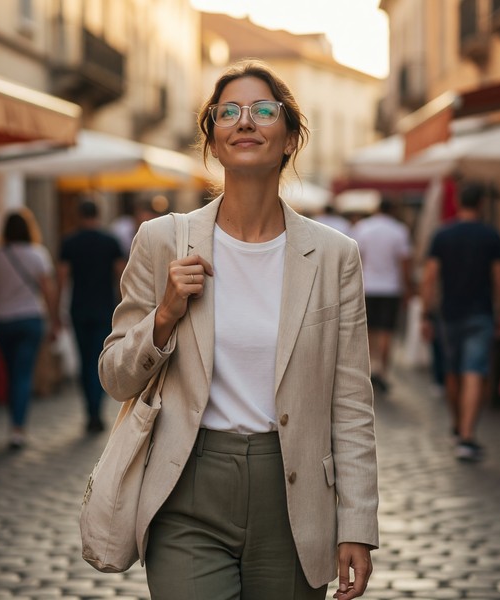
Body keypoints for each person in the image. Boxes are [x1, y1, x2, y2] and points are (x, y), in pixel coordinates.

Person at [99, 60, 378, 600]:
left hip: (294, 495)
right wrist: (163, 316)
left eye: (263, 111)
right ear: (213, 139)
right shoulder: (162, 242)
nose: (244, 121)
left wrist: (358, 523)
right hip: (187, 489)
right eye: (228, 112)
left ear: (290, 136)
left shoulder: (333, 256)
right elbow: (114, 377)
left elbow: (351, 401)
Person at [420, 183, 500, 463]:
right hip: (480, 312)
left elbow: (430, 277)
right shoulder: (491, 235)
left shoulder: (443, 234)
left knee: (452, 370)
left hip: (448, 313)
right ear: (481, 203)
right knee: (474, 372)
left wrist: (425, 312)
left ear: (458, 202)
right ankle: (467, 436)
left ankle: (460, 427)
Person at [0, 209, 60, 449]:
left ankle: (13, 424)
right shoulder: (38, 255)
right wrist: (54, 319)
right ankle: (18, 429)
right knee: (23, 374)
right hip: (30, 319)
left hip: (4, 320)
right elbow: (48, 291)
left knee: (12, 373)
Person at [57, 200, 125, 433]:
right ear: (99, 213)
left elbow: (61, 278)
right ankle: (96, 411)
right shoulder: (110, 242)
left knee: (85, 360)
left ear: (79, 215)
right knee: (98, 360)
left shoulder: (69, 242)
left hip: (79, 308)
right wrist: (125, 306)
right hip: (105, 309)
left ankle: (91, 411)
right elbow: (122, 276)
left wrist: (56, 310)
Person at [351, 198, 413, 391]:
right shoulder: (399, 230)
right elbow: (404, 263)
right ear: (393, 209)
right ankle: (382, 370)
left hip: (367, 286)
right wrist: (407, 288)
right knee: (386, 331)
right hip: (391, 288)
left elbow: (356, 258)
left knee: (368, 330)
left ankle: (368, 370)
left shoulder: (362, 227)